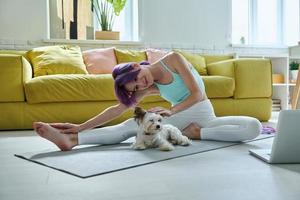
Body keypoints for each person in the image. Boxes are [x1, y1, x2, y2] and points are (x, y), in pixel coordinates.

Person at [33, 52, 262, 151]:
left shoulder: (172, 60)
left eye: (137, 81)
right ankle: (74, 139)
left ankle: (197, 134)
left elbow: (197, 95)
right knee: (133, 125)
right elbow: (117, 109)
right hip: (185, 118)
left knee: (254, 127)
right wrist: (80, 125)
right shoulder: (151, 85)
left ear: (135, 67)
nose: (142, 86)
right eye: (137, 88)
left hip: (204, 114)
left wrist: (171, 111)